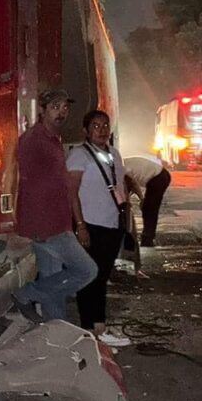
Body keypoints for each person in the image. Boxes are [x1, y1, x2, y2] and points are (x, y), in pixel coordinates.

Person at [11, 89, 98, 323]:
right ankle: (26, 294)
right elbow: (27, 182)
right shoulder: (33, 140)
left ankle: (56, 332)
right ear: (42, 110)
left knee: (53, 279)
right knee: (87, 271)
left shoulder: (52, 139)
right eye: (55, 107)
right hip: (48, 225)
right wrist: (38, 223)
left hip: (54, 221)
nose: (61, 112)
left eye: (65, 108)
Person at [67, 111, 131, 347]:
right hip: (91, 224)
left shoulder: (114, 154)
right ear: (86, 130)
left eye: (105, 125)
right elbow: (71, 192)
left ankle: (99, 327)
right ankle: (89, 328)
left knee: (102, 276)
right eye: (96, 126)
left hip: (113, 224)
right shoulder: (78, 155)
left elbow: (120, 185)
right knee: (89, 276)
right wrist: (80, 225)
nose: (102, 130)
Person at [124, 154, 170, 248]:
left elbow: (133, 185)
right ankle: (147, 236)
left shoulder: (119, 168)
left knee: (150, 209)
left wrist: (141, 199)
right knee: (148, 208)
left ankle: (147, 238)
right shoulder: (120, 164)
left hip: (159, 176)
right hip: (158, 175)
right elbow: (129, 188)